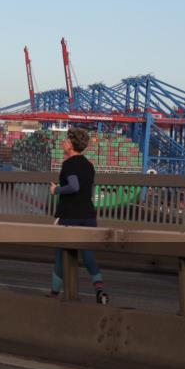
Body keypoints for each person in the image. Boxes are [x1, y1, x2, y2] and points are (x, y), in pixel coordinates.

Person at [49, 127, 109, 304]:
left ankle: (54, 294)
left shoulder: (69, 164)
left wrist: (56, 190)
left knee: (61, 255)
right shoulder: (89, 165)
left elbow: (74, 187)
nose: (63, 142)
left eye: (66, 139)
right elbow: (84, 190)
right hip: (88, 215)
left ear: (71, 144)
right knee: (88, 254)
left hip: (70, 216)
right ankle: (99, 290)